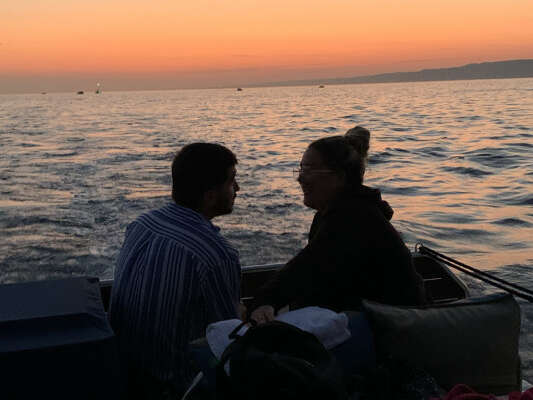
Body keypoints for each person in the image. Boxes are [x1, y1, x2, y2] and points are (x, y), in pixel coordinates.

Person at [250, 128, 425, 324]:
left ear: (340, 177)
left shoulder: (354, 219)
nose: (300, 178)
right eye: (300, 169)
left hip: (397, 328)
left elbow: (306, 268)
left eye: (309, 170)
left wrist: (264, 301)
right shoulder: (337, 213)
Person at [109, 142, 242, 399]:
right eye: (232, 181)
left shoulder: (141, 224)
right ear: (210, 195)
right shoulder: (216, 254)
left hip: (126, 374)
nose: (237, 188)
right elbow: (226, 340)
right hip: (177, 388)